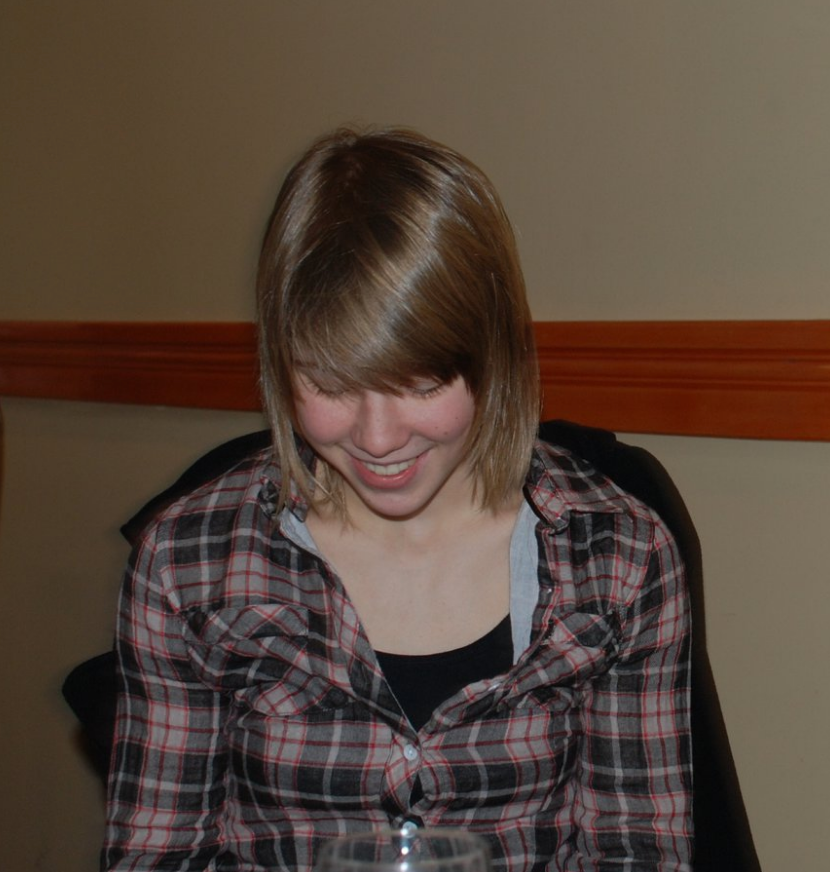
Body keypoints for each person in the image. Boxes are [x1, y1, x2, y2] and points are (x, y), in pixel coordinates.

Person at [102, 127, 692, 872]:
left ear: (493, 356)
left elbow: (638, 852)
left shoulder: (620, 556)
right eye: (328, 383)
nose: (377, 439)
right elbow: (156, 857)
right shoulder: (187, 562)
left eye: (420, 384)